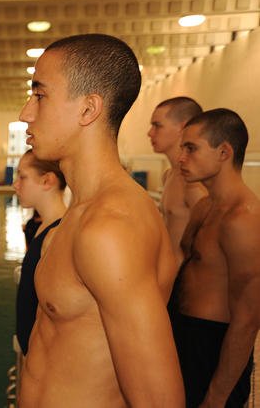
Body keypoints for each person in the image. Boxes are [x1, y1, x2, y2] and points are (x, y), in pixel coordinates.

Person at [18, 33, 184, 407]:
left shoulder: (110, 227)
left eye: (40, 95)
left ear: (88, 109)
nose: (26, 112)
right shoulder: (80, 215)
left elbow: (159, 401)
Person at [173, 108, 260, 407]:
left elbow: (248, 319)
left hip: (213, 348)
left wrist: (217, 396)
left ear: (224, 152)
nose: (181, 157)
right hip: (183, 337)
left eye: (191, 148)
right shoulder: (204, 207)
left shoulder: (244, 219)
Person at [13, 149, 67, 356]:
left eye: (23, 177)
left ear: (47, 181)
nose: (15, 184)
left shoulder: (58, 235)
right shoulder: (43, 228)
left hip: (45, 360)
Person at [148, 97, 207, 266]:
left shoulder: (192, 182)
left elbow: (210, 239)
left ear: (183, 127)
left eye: (157, 126)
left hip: (184, 279)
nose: (150, 133)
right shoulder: (169, 175)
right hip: (168, 275)